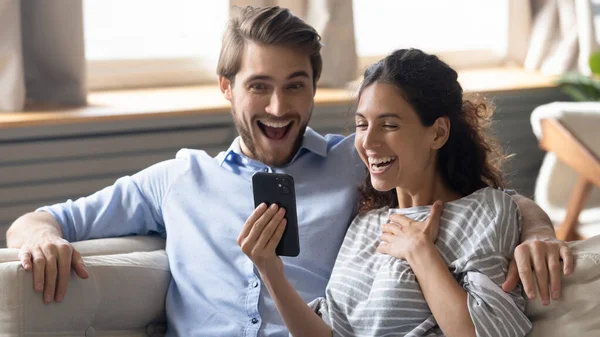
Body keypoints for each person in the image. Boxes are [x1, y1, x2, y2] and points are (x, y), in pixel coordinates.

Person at [6, 6, 571, 337]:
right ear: (227, 88)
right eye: (259, 87)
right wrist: (42, 239)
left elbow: (474, 196)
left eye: (295, 86)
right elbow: (41, 219)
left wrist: (539, 230)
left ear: (313, 88)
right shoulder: (177, 179)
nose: (279, 108)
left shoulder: (358, 158)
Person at [239, 48, 533, 337]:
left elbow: (487, 332)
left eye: (389, 125)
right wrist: (271, 271)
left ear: (438, 133)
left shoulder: (486, 210)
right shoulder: (364, 224)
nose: (368, 141)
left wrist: (420, 252)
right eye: (361, 124)